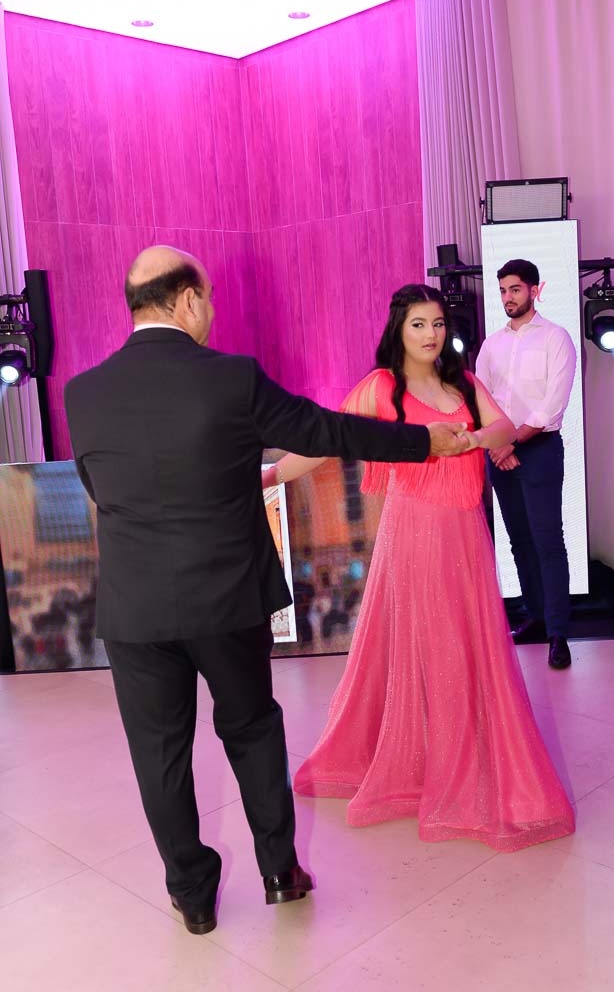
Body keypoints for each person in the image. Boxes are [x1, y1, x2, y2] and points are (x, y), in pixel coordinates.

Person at [63, 247, 476, 936]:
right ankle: (281, 872)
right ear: (187, 300)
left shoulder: (84, 392)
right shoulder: (231, 378)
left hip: (134, 607)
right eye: (209, 297)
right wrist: (423, 443)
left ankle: (193, 898)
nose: (212, 309)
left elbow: (98, 490)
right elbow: (326, 430)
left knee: (158, 753)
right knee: (252, 729)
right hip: (228, 597)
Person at [265, 284, 575, 850]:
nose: (431, 334)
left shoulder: (462, 382)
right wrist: (270, 475)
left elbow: (504, 428)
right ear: (398, 331)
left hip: (465, 533)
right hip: (414, 533)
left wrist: (470, 440)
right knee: (429, 645)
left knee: (467, 645)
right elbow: (326, 439)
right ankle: (425, 763)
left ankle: (463, 758)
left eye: (437, 324)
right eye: (418, 325)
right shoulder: (383, 387)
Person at [475, 259, 577, 671]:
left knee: (548, 540)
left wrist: (512, 441)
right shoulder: (491, 345)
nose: (508, 298)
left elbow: (553, 405)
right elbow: (479, 398)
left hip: (540, 450)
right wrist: (499, 443)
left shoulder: (556, 338)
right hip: (500, 451)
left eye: (515, 289)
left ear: (535, 290)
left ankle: (558, 634)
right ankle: (535, 617)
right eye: (503, 290)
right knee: (518, 540)